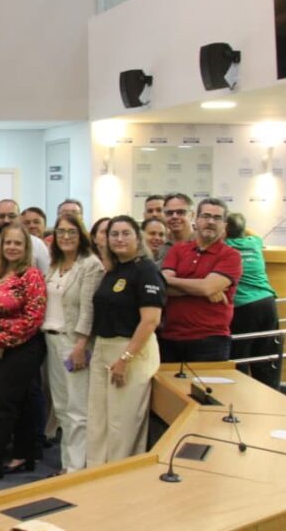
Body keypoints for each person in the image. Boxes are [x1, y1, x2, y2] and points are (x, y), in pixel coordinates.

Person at [0, 223, 46, 485]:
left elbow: (33, 318)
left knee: (3, 405)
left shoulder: (31, 276)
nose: (12, 247)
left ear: (26, 248)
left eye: (18, 243)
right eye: (8, 243)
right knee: (20, 402)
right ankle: (23, 454)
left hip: (22, 348)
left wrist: (2, 342)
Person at [86, 215, 165, 465]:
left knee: (122, 424)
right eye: (114, 234)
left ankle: (117, 477)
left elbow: (150, 321)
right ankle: (95, 473)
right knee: (98, 420)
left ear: (137, 238)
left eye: (125, 233)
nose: (119, 239)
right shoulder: (113, 269)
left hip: (131, 351)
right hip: (103, 348)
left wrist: (125, 359)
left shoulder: (146, 270)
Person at [42, 214, 104, 474]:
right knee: (62, 407)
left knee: (78, 409)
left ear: (81, 235)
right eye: (61, 232)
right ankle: (67, 464)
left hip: (74, 343)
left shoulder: (90, 265)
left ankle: (77, 468)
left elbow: (89, 309)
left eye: (72, 232)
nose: (66, 236)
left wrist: (81, 345)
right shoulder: (54, 264)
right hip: (51, 340)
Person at [159, 198, 242, 363]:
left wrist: (204, 287)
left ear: (225, 225)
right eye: (206, 216)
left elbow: (206, 288)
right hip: (170, 338)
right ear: (196, 219)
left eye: (217, 218)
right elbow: (163, 287)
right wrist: (202, 287)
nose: (210, 221)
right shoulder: (178, 250)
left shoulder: (231, 256)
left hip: (210, 341)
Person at [224, 213, 281, 388]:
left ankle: (241, 395)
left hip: (243, 308)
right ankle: (269, 396)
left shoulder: (224, 246)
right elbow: (252, 233)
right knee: (266, 357)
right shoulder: (254, 242)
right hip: (268, 303)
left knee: (239, 357)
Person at [0, 199, 51, 274]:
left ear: (20, 218)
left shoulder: (37, 243)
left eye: (11, 216)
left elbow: (46, 274)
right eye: (1, 216)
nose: (6, 220)